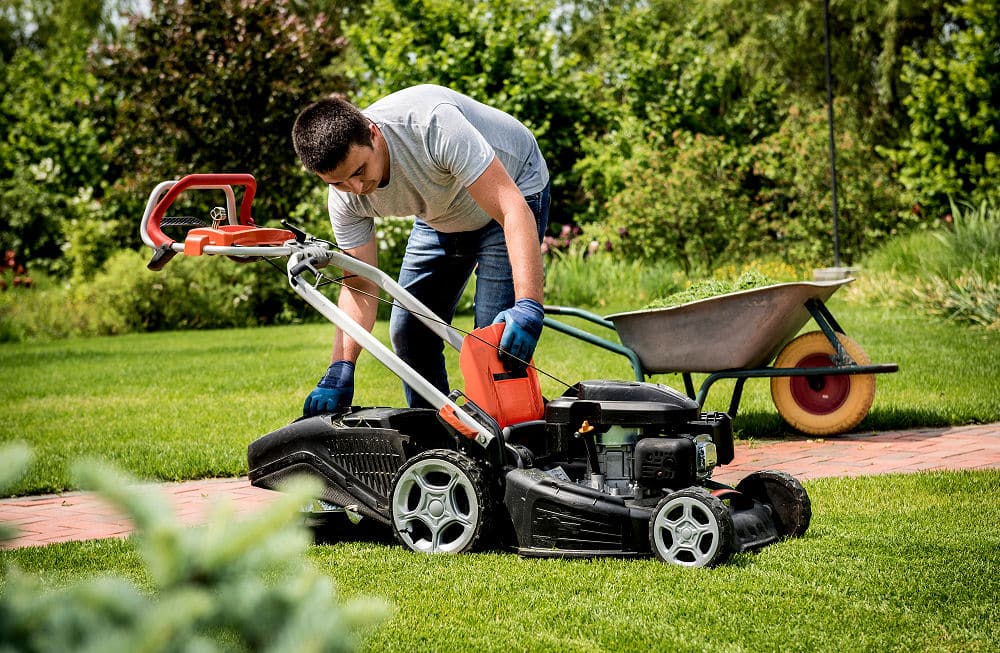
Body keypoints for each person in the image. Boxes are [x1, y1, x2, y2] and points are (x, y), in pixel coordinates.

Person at [292, 84, 550, 415]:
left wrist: (529, 306)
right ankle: (437, 442)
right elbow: (359, 284)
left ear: (373, 134)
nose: (356, 189)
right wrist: (340, 368)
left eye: (359, 171)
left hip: (512, 192)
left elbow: (511, 207)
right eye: (338, 182)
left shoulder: (431, 125)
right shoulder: (345, 198)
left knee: (495, 345)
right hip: (440, 212)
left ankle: (509, 450)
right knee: (410, 331)